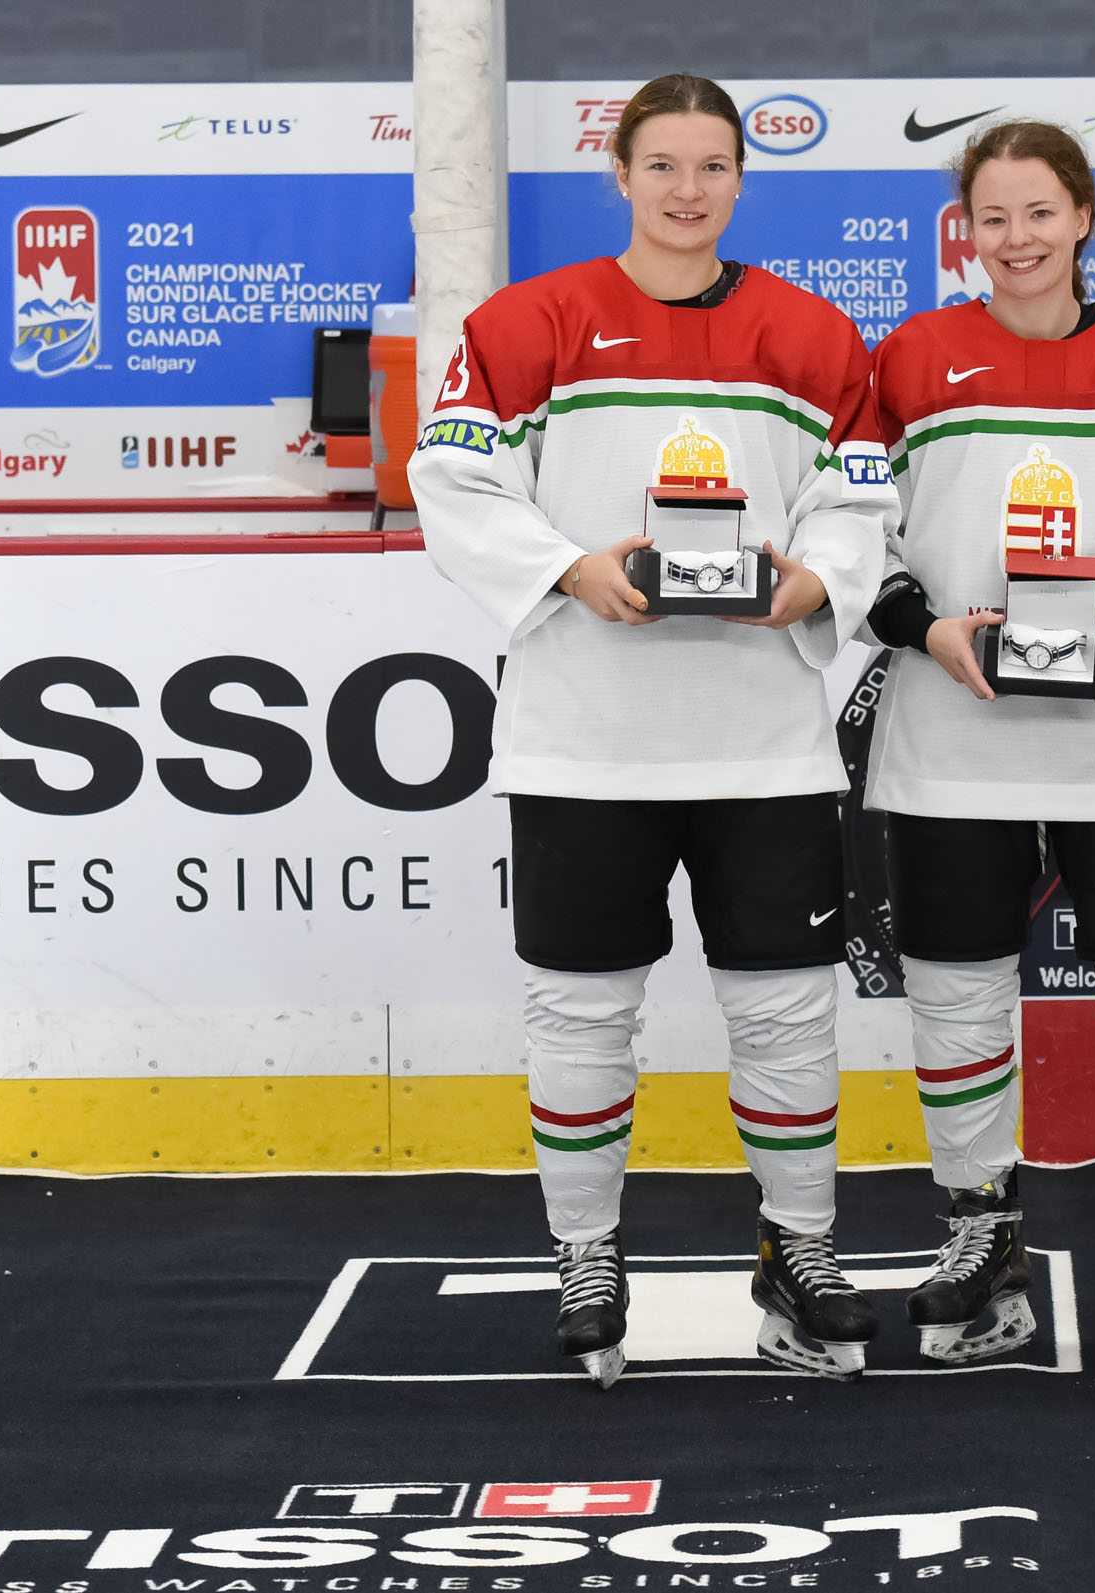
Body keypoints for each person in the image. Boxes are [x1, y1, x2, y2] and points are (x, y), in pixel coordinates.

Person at [407, 73, 899, 1386]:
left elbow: (859, 499)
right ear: (618, 175)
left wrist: (817, 580)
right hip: (584, 742)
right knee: (579, 1014)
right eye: (664, 165)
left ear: (742, 178)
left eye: (713, 166)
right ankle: (586, 1253)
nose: (689, 190)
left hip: (762, 743)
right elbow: (450, 475)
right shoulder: (527, 323)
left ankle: (800, 1247)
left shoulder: (810, 332)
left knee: (786, 1015)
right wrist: (568, 567)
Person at [862, 121, 1095, 1365]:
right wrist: (920, 628)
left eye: (1039, 213)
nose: (1015, 239)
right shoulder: (908, 359)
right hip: (951, 739)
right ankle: (980, 1232)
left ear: (1083, 216)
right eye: (992, 217)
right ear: (962, 231)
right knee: (956, 997)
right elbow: (853, 531)